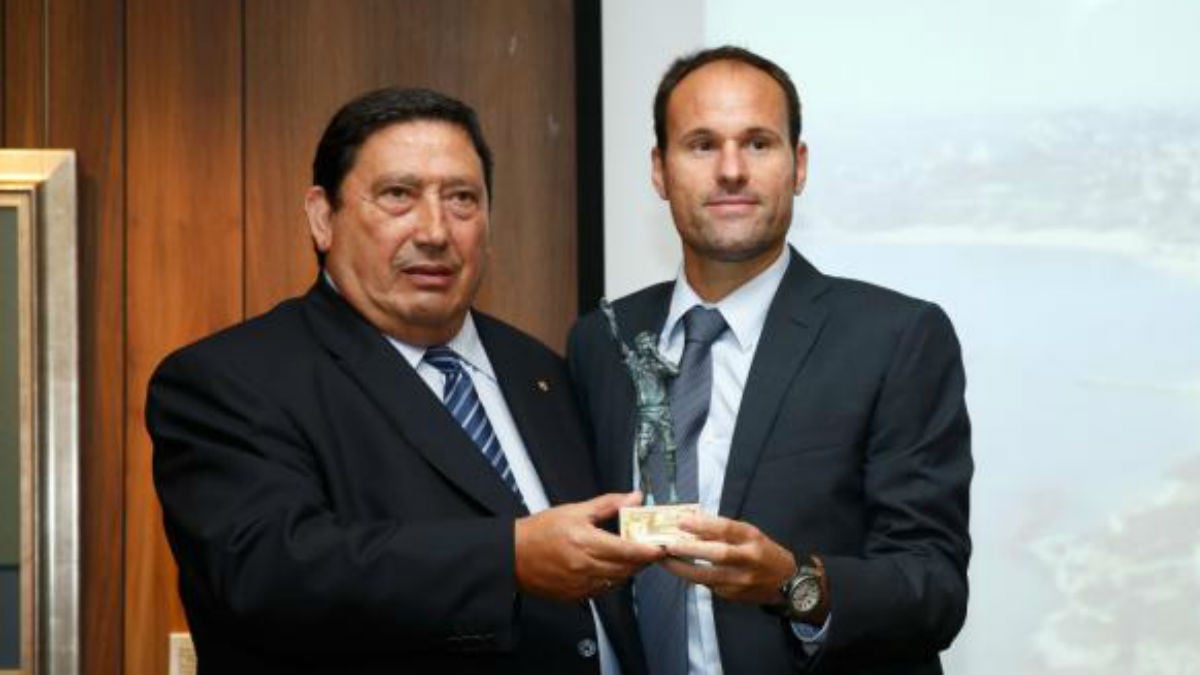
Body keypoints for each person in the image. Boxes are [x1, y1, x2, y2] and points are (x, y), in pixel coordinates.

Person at [147, 87, 662, 675]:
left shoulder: (539, 368)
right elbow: (271, 572)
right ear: (322, 216)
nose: (436, 231)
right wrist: (507, 558)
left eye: (463, 199)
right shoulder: (229, 380)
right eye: (399, 195)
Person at [567, 46, 972, 675]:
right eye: (701, 145)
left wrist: (793, 583)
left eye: (758, 143)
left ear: (798, 165)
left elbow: (935, 589)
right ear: (659, 169)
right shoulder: (600, 340)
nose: (731, 170)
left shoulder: (896, 337)